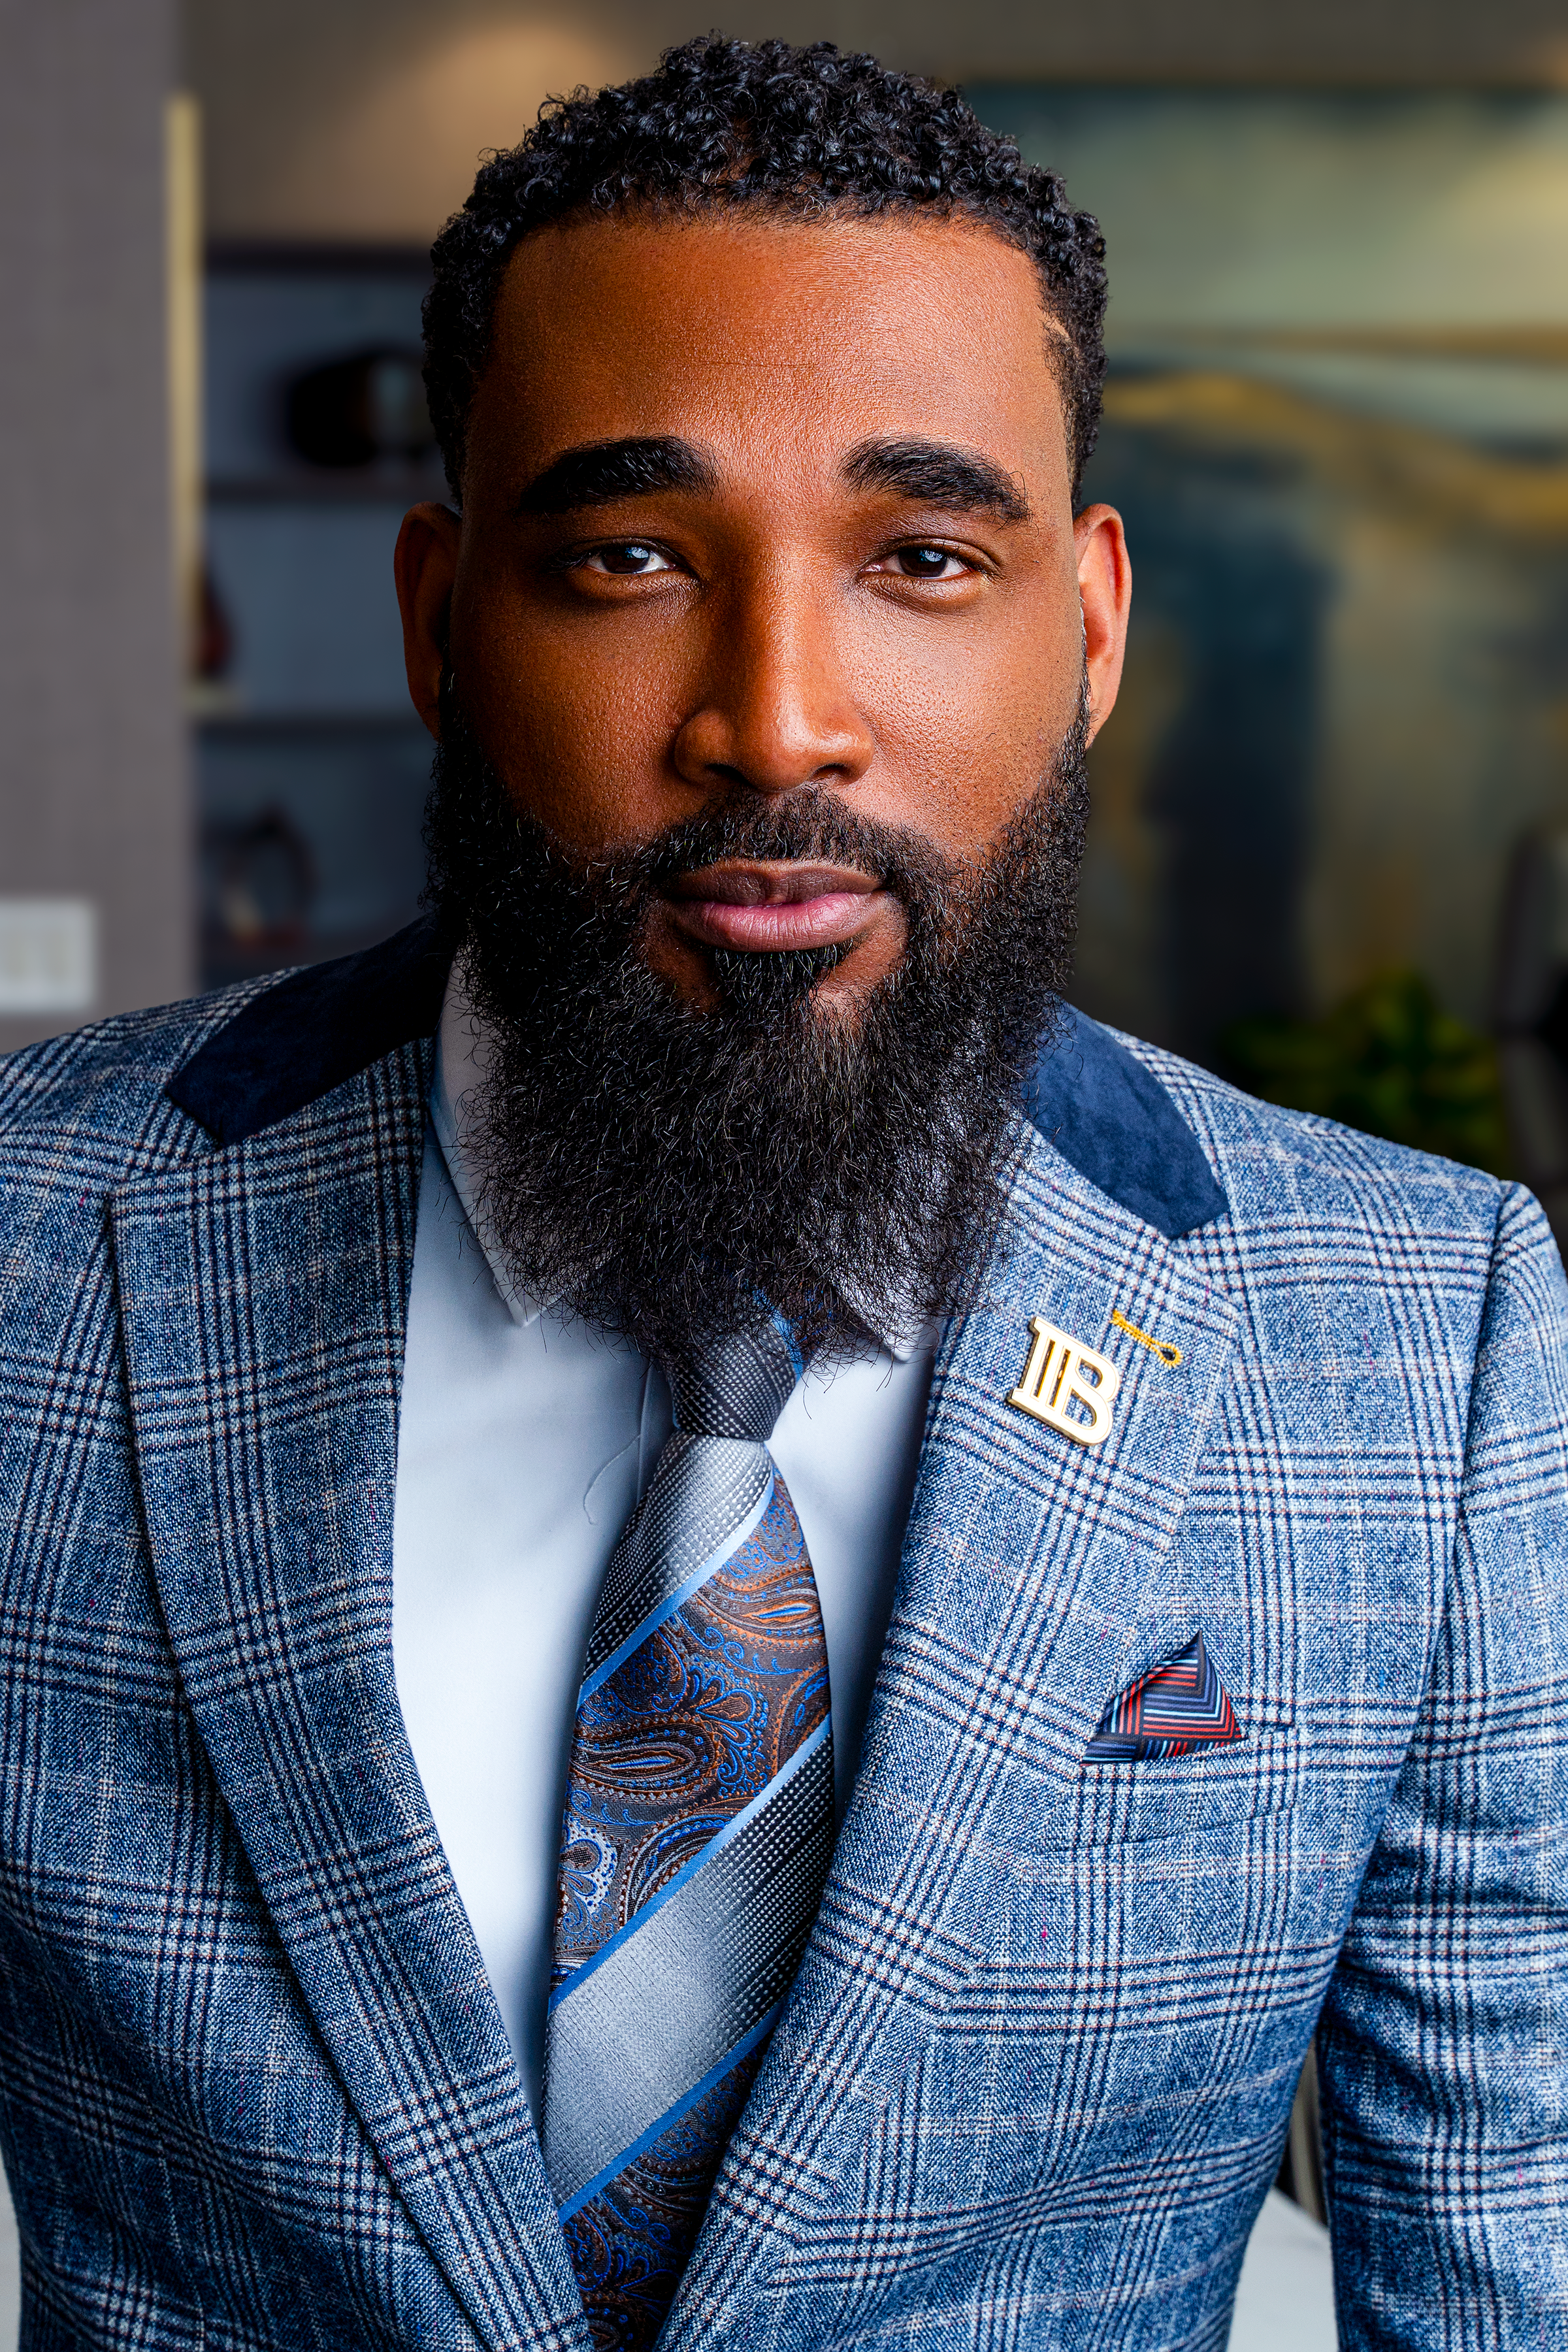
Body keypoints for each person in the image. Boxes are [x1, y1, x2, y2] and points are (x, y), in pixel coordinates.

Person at [0, 35, 1562, 2352]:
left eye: (924, 559)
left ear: (1091, 633)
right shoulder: (33, 1252)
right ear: (441, 621)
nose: (779, 717)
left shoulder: (1424, 1340)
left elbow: (1507, 2262)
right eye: (630, 557)